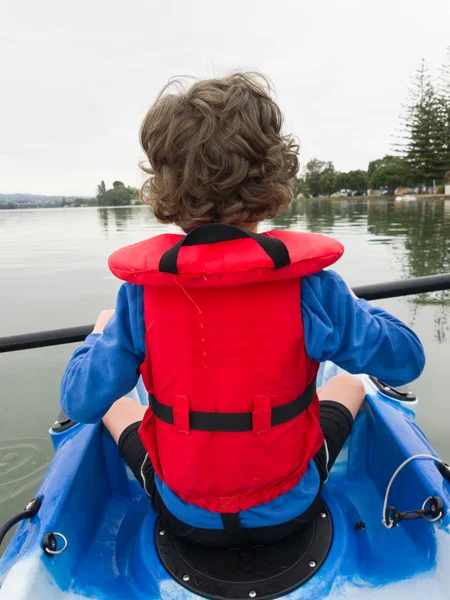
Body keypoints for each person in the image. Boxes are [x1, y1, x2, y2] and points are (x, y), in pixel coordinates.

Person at [60, 73, 425, 548]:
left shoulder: (140, 296)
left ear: (165, 187)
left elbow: (79, 402)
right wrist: (348, 303)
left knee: (115, 405)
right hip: (291, 508)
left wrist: (99, 335)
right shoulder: (313, 289)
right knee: (350, 383)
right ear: (273, 175)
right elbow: (406, 361)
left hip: (185, 515)